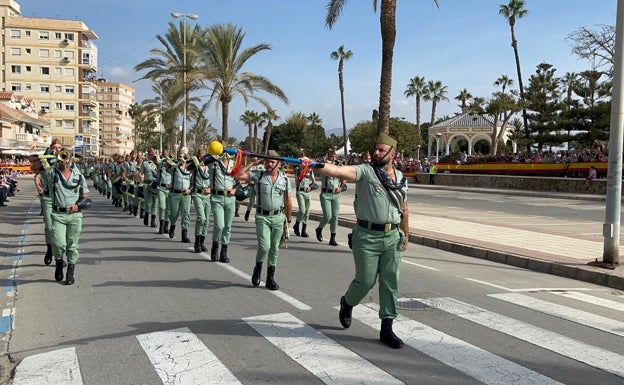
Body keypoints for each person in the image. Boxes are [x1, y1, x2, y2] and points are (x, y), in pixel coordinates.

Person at [301, 133, 409, 349]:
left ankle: (387, 328)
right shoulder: (367, 171)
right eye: (375, 149)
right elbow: (340, 171)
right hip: (367, 236)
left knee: (390, 282)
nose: (376, 153)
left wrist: (406, 234)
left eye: (381, 150)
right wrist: (315, 165)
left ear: (392, 154)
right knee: (366, 280)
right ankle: (347, 302)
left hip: (392, 236)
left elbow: (404, 208)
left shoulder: (400, 178)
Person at [236, 150, 292, 290]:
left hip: (279, 217)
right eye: (267, 161)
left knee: (274, 248)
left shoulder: (284, 180)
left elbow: (288, 200)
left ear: (279, 164)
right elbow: (239, 175)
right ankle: (257, 268)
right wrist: (254, 163)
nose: (269, 164)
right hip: (262, 217)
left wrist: (288, 220)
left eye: (272, 161)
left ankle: (270, 278)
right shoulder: (259, 176)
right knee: (264, 246)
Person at [49, 148, 90, 285]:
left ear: (70, 159)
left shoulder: (78, 175)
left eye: (66, 158)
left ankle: (70, 273)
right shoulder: (52, 174)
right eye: (61, 158)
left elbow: (86, 195)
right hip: (58, 214)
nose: (64, 161)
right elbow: (39, 169)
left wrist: (78, 205)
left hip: (75, 215)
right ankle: (59, 262)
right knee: (58, 243)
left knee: (72, 246)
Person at [209, 149, 237, 262]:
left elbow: (239, 179)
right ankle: (215, 247)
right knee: (219, 225)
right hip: (217, 198)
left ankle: (224, 252)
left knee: (227, 227)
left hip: (230, 198)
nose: (225, 154)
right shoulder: (213, 163)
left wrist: (235, 189)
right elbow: (197, 162)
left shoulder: (234, 164)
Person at [315, 149, 345, 246]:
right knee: (327, 216)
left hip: (336, 194)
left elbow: (344, 179)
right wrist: (325, 162)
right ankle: (319, 229)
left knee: (335, 217)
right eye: (332, 156)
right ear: (328, 156)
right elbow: (316, 165)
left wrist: (341, 187)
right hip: (326, 194)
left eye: (335, 156)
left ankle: (333, 238)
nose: (334, 158)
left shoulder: (338, 165)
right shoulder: (324, 165)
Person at [168, 152, 192, 243]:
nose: (183, 159)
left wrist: (190, 190)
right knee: (174, 214)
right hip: (175, 194)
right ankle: (172, 225)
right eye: (180, 157)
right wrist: (176, 162)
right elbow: (167, 166)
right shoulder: (174, 167)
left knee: (186, 214)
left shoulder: (190, 169)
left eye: (184, 157)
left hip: (186, 194)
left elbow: (193, 181)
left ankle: (184, 235)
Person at [191, 149, 212, 252]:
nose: (202, 157)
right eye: (200, 156)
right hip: (197, 193)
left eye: (204, 156)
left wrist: (211, 188)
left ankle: (202, 242)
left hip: (207, 195)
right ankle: (197, 242)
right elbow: (186, 168)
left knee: (207, 220)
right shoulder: (195, 166)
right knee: (201, 218)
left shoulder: (210, 166)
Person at [293, 165, 315, 237]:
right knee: (302, 210)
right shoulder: (298, 170)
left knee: (307, 212)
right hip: (300, 191)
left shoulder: (310, 170)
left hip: (307, 192)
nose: (304, 164)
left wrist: (310, 187)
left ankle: (303, 230)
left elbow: (313, 181)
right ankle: (297, 224)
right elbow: (297, 179)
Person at [140, 149, 159, 228]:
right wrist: (141, 180)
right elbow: (141, 173)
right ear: (148, 155)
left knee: (155, 202)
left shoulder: (159, 163)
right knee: (148, 202)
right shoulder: (145, 163)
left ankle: (153, 220)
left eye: (153, 154)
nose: (152, 155)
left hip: (156, 184)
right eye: (150, 154)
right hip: (147, 184)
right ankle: (147, 215)